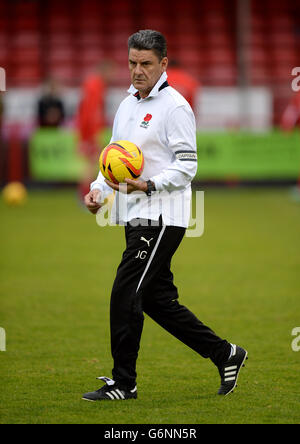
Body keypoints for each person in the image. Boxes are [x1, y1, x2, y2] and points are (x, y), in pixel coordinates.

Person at [82, 30, 247, 402]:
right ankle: (225, 354)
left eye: (146, 64)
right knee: (157, 301)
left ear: (164, 64)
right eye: (132, 63)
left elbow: (188, 167)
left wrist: (148, 186)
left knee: (125, 292)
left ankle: (124, 383)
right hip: (132, 215)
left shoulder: (175, 106)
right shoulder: (126, 105)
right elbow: (113, 161)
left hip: (161, 215)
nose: (137, 71)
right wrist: (98, 191)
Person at [76, 60, 115, 202]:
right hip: (90, 131)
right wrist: (92, 134)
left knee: (91, 163)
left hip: (87, 130)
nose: (113, 76)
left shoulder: (92, 83)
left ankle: (87, 194)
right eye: (111, 72)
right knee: (90, 164)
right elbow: (92, 111)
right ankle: (84, 195)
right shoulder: (96, 85)